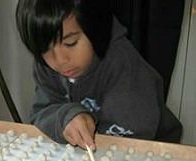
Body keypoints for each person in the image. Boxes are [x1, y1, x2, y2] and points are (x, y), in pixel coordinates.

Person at [16, 0, 182, 150]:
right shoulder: (46, 64)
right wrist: (65, 118)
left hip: (152, 148)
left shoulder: (124, 68)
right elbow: (42, 111)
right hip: (89, 152)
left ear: (95, 27)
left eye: (70, 43)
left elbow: (130, 141)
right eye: (45, 49)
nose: (60, 60)